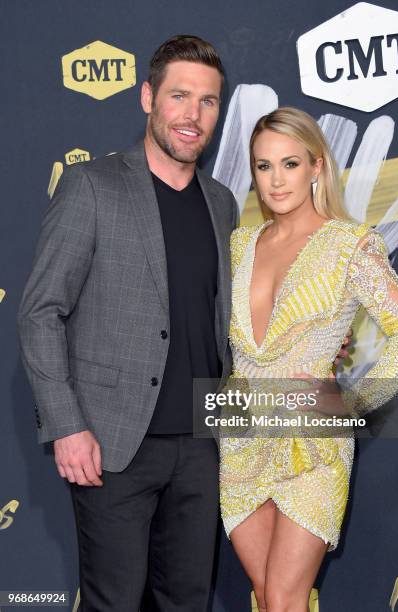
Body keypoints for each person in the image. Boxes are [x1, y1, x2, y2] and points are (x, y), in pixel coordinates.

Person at [17, 35, 238, 612]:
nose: (193, 116)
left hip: (201, 446)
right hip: (112, 444)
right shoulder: (92, 185)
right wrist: (66, 426)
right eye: (179, 96)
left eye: (209, 101)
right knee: (113, 602)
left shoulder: (222, 202)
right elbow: (41, 311)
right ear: (147, 97)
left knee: (187, 600)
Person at [219, 107, 398, 612]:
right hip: (241, 440)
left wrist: (354, 399)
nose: (276, 180)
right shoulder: (238, 246)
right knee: (267, 599)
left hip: (311, 446)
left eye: (289, 164)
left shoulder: (348, 245)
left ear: (317, 167)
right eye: (263, 166)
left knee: (284, 597)